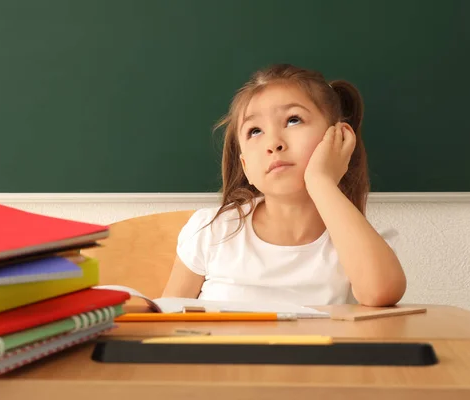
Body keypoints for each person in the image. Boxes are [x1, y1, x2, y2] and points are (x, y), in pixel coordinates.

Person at [162, 63, 406, 307]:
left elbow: (381, 293)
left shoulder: (358, 239)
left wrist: (321, 182)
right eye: (255, 131)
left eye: (293, 120)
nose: (273, 143)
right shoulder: (212, 230)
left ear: (338, 137)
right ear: (245, 164)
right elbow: (165, 322)